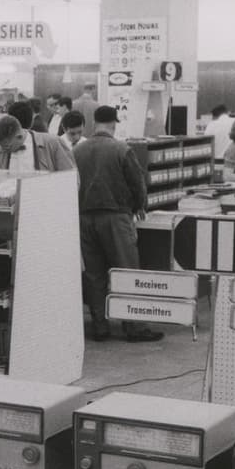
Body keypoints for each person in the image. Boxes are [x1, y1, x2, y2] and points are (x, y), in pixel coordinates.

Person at [75, 105, 162, 344]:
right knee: (126, 271)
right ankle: (133, 327)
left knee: (94, 275)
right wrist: (139, 206)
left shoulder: (77, 150)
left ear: (94, 123)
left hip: (83, 219)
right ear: (115, 123)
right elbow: (138, 183)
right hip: (115, 218)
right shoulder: (121, 149)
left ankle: (100, 327)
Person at [0, 115, 75, 173]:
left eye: (7, 147)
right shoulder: (1, 150)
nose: (3, 150)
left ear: (19, 136)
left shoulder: (53, 143)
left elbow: (71, 179)